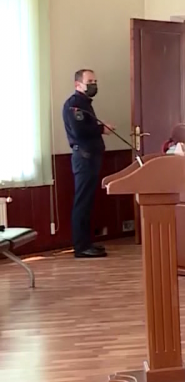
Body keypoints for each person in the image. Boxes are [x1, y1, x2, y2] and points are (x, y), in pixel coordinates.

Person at [62, 68, 110, 258]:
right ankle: (81, 247)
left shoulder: (84, 103)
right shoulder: (74, 104)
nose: (93, 85)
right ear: (78, 84)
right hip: (84, 158)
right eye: (89, 81)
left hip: (90, 158)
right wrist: (101, 129)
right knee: (82, 202)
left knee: (88, 202)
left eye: (95, 81)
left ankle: (86, 243)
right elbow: (79, 131)